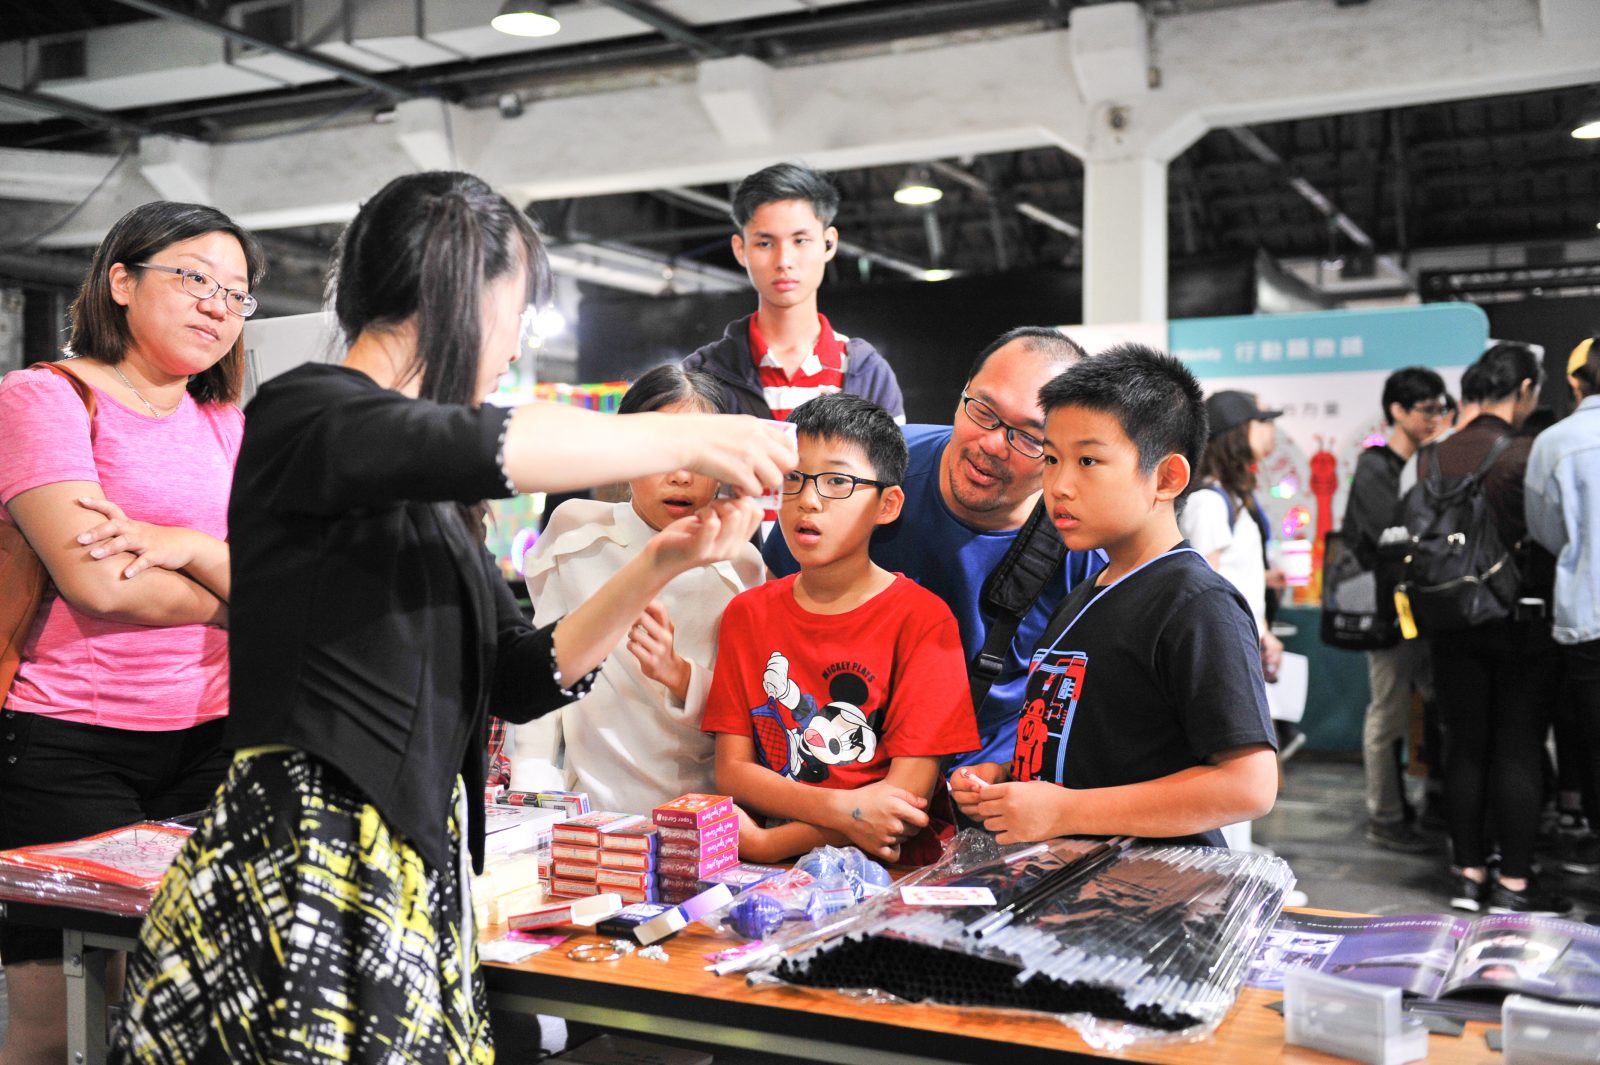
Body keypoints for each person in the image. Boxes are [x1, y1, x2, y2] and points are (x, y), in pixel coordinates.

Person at [109, 171, 794, 1063]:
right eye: (514, 309)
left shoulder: (430, 498)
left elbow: (519, 675)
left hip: (409, 855)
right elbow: (478, 444)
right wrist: (692, 435)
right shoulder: (304, 411)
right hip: (312, 850)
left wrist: (664, 559)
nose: (513, 341)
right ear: (457, 294)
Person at [0, 201, 263, 1065]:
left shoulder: (230, 426)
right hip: (68, 746)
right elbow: (98, 582)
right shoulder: (45, 397)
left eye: (236, 292)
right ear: (120, 279)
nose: (217, 304)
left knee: (185, 1011)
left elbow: (292, 579)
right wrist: (234, 589)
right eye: (193, 277)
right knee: (56, 1021)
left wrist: (186, 550)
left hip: (216, 744)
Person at [949, 343, 1278, 846]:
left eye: (1088, 460)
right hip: (1078, 887)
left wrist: (1066, 811)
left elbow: (1249, 786)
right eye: (1053, 458)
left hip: (1155, 898)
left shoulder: (1195, 604)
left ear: (1167, 478)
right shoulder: (1083, 594)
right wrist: (1008, 775)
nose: (1060, 485)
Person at [764, 327, 1105, 768]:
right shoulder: (869, 470)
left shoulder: (1083, 544)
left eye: (1030, 437)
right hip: (838, 759)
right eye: (983, 411)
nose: (992, 445)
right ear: (963, 393)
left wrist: (1004, 773)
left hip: (982, 786)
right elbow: (774, 600)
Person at [704, 393, 979, 864]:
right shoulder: (746, 613)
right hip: (766, 871)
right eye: (794, 478)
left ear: (888, 504)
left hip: (888, 873)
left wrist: (773, 843)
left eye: (837, 481)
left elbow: (904, 802)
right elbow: (732, 772)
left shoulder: (923, 619)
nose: (808, 500)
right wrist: (847, 809)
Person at [509, 365, 766, 811]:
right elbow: (543, 670)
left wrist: (678, 673)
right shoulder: (575, 534)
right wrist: (531, 782)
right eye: (664, 450)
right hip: (589, 812)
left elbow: (748, 714)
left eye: (700, 457)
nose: (682, 476)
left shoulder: (741, 564)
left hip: (702, 813)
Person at [1428, 343, 1568, 915]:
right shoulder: (1526, 453)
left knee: (1464, 744)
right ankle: (1513, 881)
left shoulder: (1431, 457)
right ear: (1527, 391)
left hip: (1450, 617)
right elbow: (1551, 537)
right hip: (1518, 620)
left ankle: (1466, 872)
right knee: (1518, 749)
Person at [681, 162, 903, 423]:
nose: (784, 260)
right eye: (765, 243)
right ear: (740, 250)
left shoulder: (867, 373)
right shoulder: (701, 374)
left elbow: (892, 465)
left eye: (800, 240)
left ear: (829, 243)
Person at [1342, 366, 1447, 854]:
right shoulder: (1376, 467)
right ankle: (1385, 816)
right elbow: (1390, 538)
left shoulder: (1423, 464)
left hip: (1421, 610)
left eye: (1440, 407)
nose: (1435, 417)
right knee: (1387, 715)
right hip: (1387, 613)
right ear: (1398, 412)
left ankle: (1429, 805)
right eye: (1426, 408)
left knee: (1429, 705)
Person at [1525, 337, 1600, 878]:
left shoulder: (1556, 441)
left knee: (1591, 738)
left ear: (1576, 383)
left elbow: (1545, 533)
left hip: (1587, 613)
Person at [1182, 390, 1286, 682]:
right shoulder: (1209, 502)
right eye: (1261, 421)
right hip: (1224, 652)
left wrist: (1264, 633)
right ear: (1238, 431)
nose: (1270, 431)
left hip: (1241, 645)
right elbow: (1205, 589)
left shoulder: (1232, 498)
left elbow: (1234, 575)